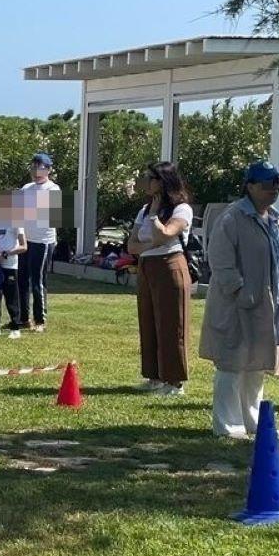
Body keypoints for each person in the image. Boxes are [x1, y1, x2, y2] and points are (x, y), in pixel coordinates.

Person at [199, 161, 279, 438]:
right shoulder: (232, 217)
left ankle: (252, 420)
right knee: (231, 364)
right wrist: (240, 291)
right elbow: (221, 262)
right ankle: (228, 424)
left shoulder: (275, 218)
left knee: (257, 364)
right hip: (237, 305)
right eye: (266, 186)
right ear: (250, 186)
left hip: (270, 303)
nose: (272, 191)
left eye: (277, 185)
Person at [127, 161, 193, 396]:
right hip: (147, 265)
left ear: (163, 182)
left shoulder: (181, 209)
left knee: (171, 323)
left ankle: (174, 382)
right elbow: (132, 245)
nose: (146, 182)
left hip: (169, 265)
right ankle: (154, 376)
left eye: (150, 178)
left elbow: (165, 234)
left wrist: (155, 218)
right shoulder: (143, 210)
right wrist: (150, 242)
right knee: (148, 321)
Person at [18, 152, 59, 332]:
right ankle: (23, 318)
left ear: (48, 170)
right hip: (26, 240)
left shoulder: (52, 189)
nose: (35, 171)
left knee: (38, 281)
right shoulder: (26, 188)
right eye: (33, 167)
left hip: (43, 241)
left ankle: (40, 320)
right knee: (22, 280)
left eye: (40, 167)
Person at [0, 224, 25, 338]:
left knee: (11, 297)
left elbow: (23, 246)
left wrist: (5, 254)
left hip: (10, 266)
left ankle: (15, 328)